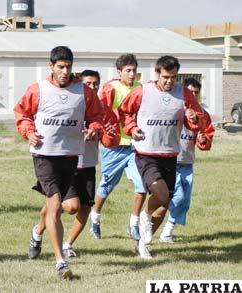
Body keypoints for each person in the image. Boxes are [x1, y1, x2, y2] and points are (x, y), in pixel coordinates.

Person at [14, 46, 119, 279]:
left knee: (70, 206)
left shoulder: (84, 91)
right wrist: (28, 131)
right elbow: (22, 114)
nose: (64, 71)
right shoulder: (37, 89)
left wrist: (94, 129)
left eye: (68, 67)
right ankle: (60, 261)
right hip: (43, 154)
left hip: (71, 156)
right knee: (54, 203)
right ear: (50, 66)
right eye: (60, 67)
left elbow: (97, 116)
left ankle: (36, 231)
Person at [119, 55, 208, 259]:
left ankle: (143, 243)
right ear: (157, 73)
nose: (170, 81)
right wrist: (132, 129)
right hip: (145, 152)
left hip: (170, 154)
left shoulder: (184, 93)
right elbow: (124, 113)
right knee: (161, 195)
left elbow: (200, 121)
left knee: (164, 204)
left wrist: (193, 118)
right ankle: (144, 215)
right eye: (166, 77)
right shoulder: (142, 91)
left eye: (174, 77)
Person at [88, 54, 147, 241]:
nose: (131, 74)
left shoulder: (141, 89)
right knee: (106, 186)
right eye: (128, 70)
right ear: (119, 71)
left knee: (142, 185)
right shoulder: (110, 88)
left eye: (134, 70)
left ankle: (134, 224)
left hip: (135, 146)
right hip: (113, 146)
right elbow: (101, 111)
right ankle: (95, 218)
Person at [158, 78, 215, 243]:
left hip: (187, 163)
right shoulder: (174, 109)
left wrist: (203, 140)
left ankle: (167, 231)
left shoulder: (202, 115)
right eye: (190, 92)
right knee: (176, 197)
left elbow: (205, 138)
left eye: (196, 93)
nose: (193, 95)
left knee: (184, 202)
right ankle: (145, 221)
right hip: (171, 162)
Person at [62, 70, 102, 258]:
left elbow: (112, 137)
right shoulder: (71, 103)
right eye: (88, 84)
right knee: (68, 207)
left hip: (88, 164)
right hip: (66, 162)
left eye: (96, 84)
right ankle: (38, 231)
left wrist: (99, 131)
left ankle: (67, 244)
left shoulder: (101, 109)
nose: (92, 87)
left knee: (85, 207)